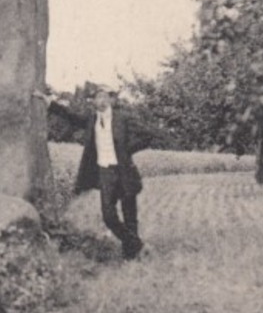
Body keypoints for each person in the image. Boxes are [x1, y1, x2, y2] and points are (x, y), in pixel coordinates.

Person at [34, 86, 172, 260]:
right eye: (97, 97)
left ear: (111, 100)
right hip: (105, 172)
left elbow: (148, 134)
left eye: (104, 97)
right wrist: (50, 103)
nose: (101, 100)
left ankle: (130, 256)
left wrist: (127, 150)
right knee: (108, 216)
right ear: (93, 102)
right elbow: (71, 117)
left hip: (124, 171)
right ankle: (138, 245)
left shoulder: (123, 118)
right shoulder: (92, 120)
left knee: (130, 215)